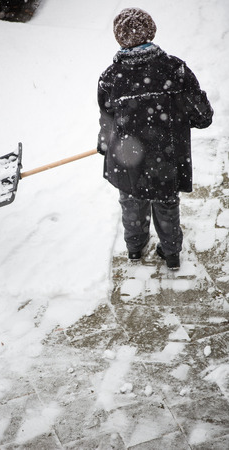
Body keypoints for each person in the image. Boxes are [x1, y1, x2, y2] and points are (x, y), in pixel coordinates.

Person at [97, 7, 213, 270]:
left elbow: (107, 118)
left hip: (127, 158)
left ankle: (135, 248)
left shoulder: (111, 77)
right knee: (165, 202)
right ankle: (171, 252)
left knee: (132, 200)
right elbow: (202, 115)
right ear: (151, 31)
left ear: (119, 38)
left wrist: (105, 143)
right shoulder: (174, 70)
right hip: (166, 156)